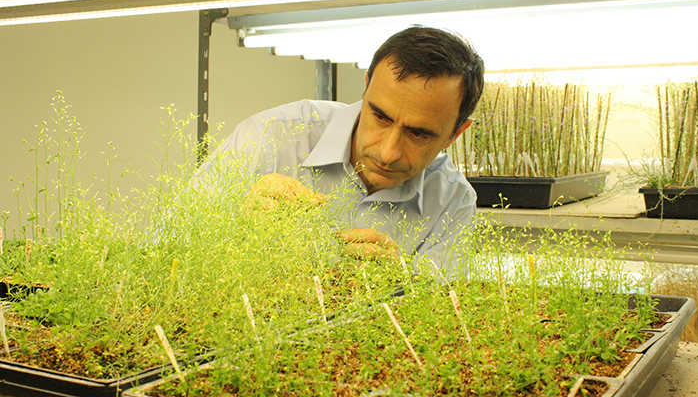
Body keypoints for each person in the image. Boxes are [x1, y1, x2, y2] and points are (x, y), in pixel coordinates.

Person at [199, 25, 484, 270]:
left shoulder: (452, 203)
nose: (388, 153)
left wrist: (399, 283)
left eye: (419, 134)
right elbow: (164, 248)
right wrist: (234, 229)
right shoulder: (269, 138)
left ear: (455, 134)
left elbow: (439, 316)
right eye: (380, 117)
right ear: (366, 86)